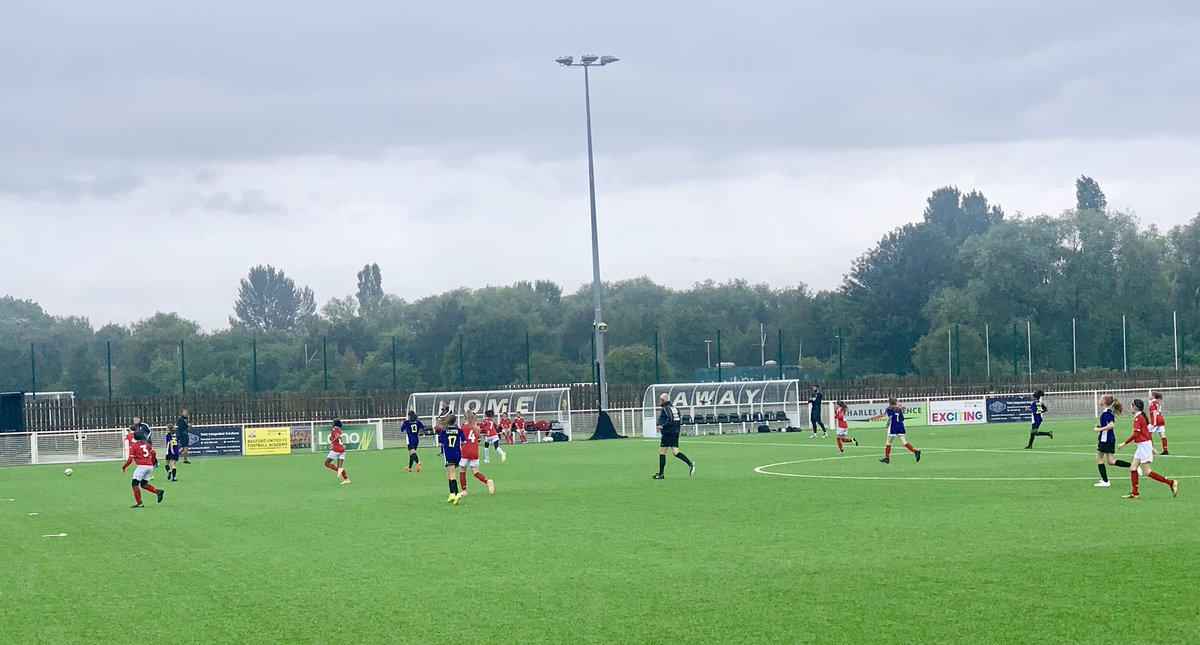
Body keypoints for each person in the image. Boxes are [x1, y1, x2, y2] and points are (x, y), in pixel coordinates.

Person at [1116, 399, 1179, 500]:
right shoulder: (1140, 417)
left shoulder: (1138, 418)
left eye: (1131, 406)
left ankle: (1171, 483)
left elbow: (1136, 434)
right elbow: (1146, 433)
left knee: (1147, 471)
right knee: (1133, 468)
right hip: (1143, 445)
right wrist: (1152, 447)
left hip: (1144, 446)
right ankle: (1135, 494)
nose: (1130, 408)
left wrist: (1124, 443)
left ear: (1135, 407)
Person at [1093, 394, 1133, 487]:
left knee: (1099, 458)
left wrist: (1099, 429)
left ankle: (1105, 481)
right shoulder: (1108, 412)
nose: (1100, 400)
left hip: (1105, 439)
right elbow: (1108, 425)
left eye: (1101, 399)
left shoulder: (1106, 413)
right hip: (1109, 438)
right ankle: (1132, 466)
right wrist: (1101, 427)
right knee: (1111, 461)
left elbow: (1111, 425)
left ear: (1104, 402)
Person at [653, 393, 695, 479]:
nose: (659, 401)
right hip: (675, 433)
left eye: (660, 400)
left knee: (662, 452)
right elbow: (678, 419)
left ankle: (661, 474)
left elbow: (670, 418)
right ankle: (690, 464)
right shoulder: (675, 408)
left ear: (664, 400)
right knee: (675, 452)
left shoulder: (666, 408)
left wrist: (663, 426)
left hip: (668, 433)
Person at [121, 428, 164, 508]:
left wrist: (124, 467)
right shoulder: (146, 444)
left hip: (141, 467)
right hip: (149, 466)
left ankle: (140, 503)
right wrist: (153, 461)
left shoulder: (134, 446)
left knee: (134, 484)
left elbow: (130, 460)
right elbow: (154, 452)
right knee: (144, 484)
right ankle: (158, 492)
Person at [458, 411, 495, 495]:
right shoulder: (476, 428)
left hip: (465, 451)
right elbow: (478, 440)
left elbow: (460, 440)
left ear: (465, 418)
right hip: (474, 452)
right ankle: (487, 481)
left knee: (462, 470)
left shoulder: (463, 428)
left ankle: (464, 490)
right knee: (475, 472)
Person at [880, 398, 921, 464]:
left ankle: (887, 458)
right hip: (900, 426)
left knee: (888, 442)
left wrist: (887, 423)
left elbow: (890, 417)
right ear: (895, 402)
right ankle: (915, 451)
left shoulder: (889, 409)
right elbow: (902, 418)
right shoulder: (899, 409)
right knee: (904, 442)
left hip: (893, 427)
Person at [438, 414, 466, 504]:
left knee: (452, 474)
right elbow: (464, 442)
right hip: (458, 454)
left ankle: (456, 493)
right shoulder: (459, 430)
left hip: (449, 454)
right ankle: (451, 494)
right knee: (450, 473)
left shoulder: (444, 431)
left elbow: (440, 444)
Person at [323, 420, 350, 485]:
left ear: (335, 424)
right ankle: (346, 479)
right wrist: (332, 439)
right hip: (342, 449)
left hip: (336, 449)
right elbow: (338, 437)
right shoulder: (339, 430)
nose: (331, 424)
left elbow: (337, 436)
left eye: (332, 423)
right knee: (340, 466)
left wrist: (332, 441)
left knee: (326, 463)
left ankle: (339, 471)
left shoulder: (334, 429)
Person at [1149, 391, 1169, 455]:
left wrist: (1154, 422)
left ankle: (1151, 449)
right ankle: (1165, 450)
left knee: (1147, 433)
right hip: (1161, 419)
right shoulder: (1157, 403)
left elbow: (1154, 412)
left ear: (1153, 396)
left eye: (1150, 395)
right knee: (1162, 434)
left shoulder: (1152, 403)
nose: (1148, 396)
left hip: (1156, 419)